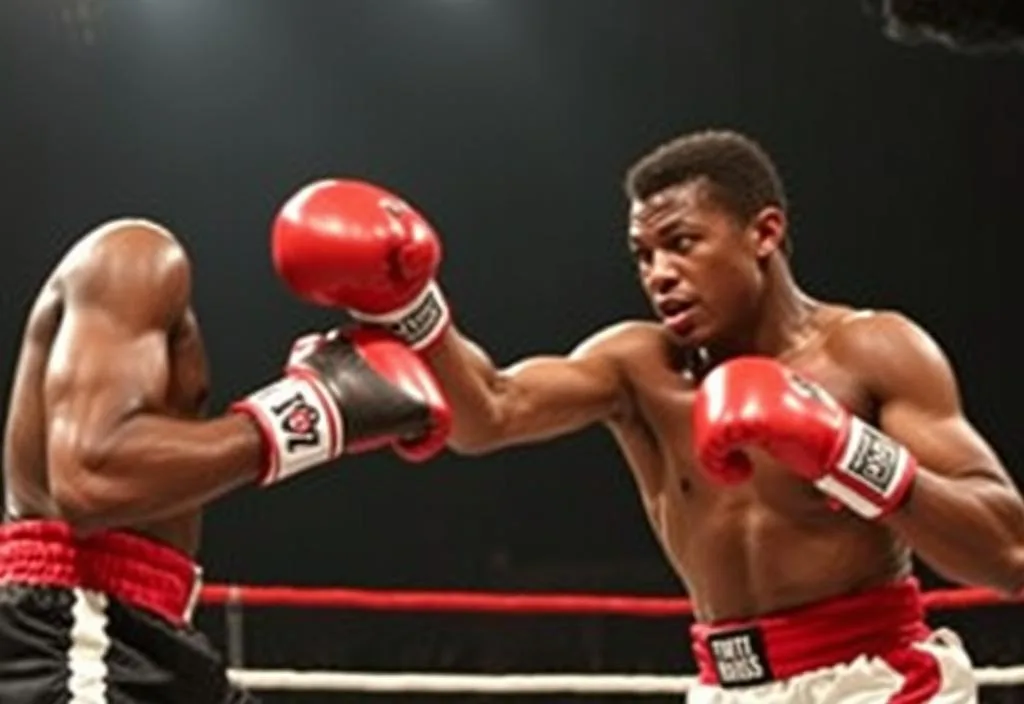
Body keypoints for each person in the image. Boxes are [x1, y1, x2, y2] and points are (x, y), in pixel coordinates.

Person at [269, 128, 1024, 702]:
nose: (659, 275)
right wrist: (409, 307)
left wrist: (846, 452)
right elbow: (489, 414)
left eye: (682, 244)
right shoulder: (642, 366)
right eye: (642, 255)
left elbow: (1008, 554)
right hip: (726, 683)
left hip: (881, 683)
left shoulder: (872, 350)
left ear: (764, 233)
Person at [0, 218, 450, 703]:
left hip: (147, 627)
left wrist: (425, 323)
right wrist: (308, 414)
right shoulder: (132, 257)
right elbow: (92, 476)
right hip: (75, 626)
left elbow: (494, 408)